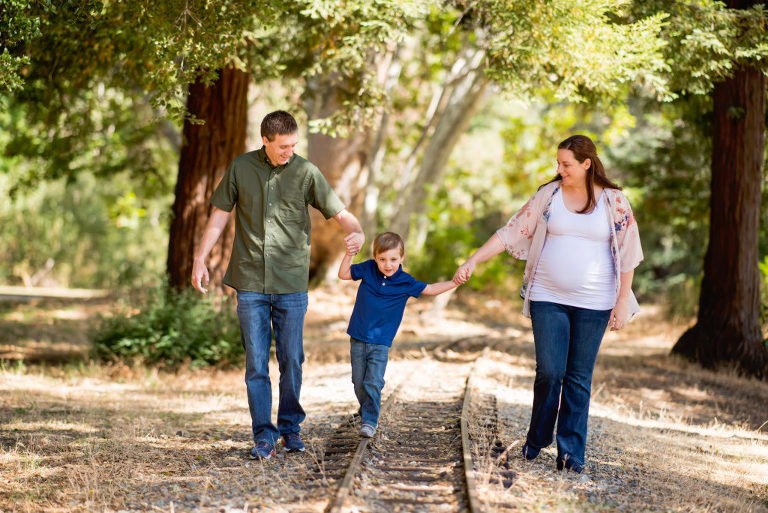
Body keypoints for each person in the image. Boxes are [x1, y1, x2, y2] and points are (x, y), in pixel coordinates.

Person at [453, 135, 643, 473]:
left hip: (595, 302)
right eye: (558, 163)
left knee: (578, 377)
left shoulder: (614, 202)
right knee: (550, 372)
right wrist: (473, 260)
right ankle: (538, 436)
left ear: (587, 164)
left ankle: (571, 454)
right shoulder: (549, 195)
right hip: (547, 297)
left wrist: (620, 303)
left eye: (566, 164)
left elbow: (628, 254)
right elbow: (511, 232)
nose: (560, 170)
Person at [191, 110, 365, 460]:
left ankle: (290, 429)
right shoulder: (241, 168)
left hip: (291, 283)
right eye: (283, 146)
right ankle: (263, 437)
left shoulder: (305, 172)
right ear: (265, 141)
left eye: (293, 145)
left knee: (292, 359)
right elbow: (219, 217)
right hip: (251, 279)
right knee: (256, 362)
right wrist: (199, 258)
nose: (289, 151)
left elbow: (339, 212)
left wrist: (356, 230)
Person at [338, 232, 460, 438]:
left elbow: (430, 289)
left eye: (393, 259)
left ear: (402, 258)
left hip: (381, 342)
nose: (388, 264)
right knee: (358, 381)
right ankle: (368, 403)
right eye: (382, 259)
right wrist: (349, 254)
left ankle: (369, 420)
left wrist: (454, 282)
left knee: (372, 382)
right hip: (358, 336)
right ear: (375, 257)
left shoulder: (405, 282)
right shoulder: (368, 268)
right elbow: (343, 274)